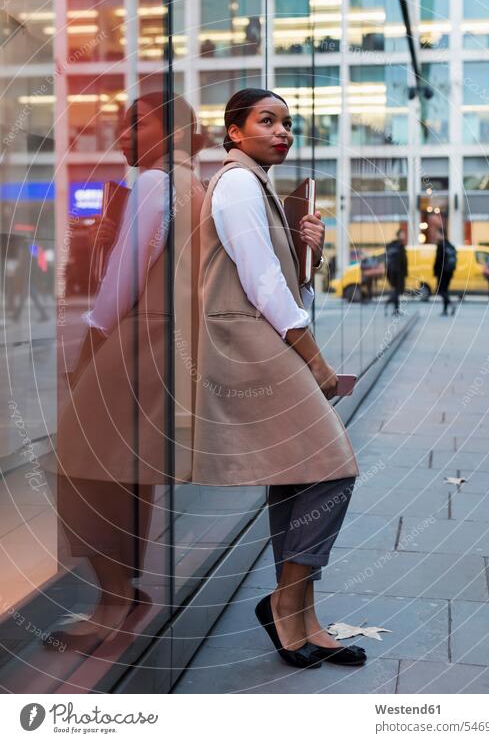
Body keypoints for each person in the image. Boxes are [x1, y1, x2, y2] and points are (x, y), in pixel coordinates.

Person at [192, 88, 365, 670]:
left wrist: (304, 252)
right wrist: (315, 359)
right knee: (334, 468)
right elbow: (261, 282)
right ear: (234, 132)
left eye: (288, 123)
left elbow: (285, 284)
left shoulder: (259, 187)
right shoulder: (238, 183)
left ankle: (305, 620)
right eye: (267, 121)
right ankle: (284, 604)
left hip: (265, 342)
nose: (282, 131)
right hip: (250, 346)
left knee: (298, 477)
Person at [46, 92, 205, 652]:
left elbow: (122, 280)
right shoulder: (194, 183)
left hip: (136, 340)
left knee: (76, 457)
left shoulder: (158, 184)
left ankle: (114, 599)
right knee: (122, 465)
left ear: (174, 131)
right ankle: (122, 594)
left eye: (137, 125)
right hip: (168, 345)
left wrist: (89, 345)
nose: (123, 137)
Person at [433, 231, 457, 316]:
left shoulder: (441, 245)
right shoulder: (450, 245)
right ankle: (445, 310)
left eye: (438, 234)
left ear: (442, 235)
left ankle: (451, 304)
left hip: (442, 272)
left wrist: (435, 271)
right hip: (449, 272)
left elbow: (438, 260)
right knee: (445, 290)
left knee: (440, 291)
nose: (436, 236)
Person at [385, 228, 407, 316]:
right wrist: (405, 273)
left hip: (392, 272)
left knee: (396, 291)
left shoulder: (392, 245)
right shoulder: (399, 246)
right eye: (403, 234)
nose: (404, 235)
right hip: (398, 273)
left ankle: (396, 309)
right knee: (397, 292)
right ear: (399, 235)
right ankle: (389, 304)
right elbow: (403, 261)